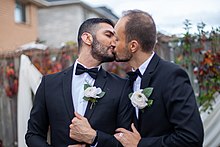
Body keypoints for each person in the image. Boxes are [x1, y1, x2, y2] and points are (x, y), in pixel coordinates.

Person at [25, 18, 133, 147]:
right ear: (87, 38)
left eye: (115, 38)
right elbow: (33, 135)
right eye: (108, 35)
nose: (114, 42)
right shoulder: (49, 84)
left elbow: (126, 142)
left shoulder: (121, 86)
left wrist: (95, 138)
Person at [113, 9, 204, 147]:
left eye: (117, 39)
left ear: (133, 46)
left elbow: (191, 138)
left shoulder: (172, 76)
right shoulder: (128, 81)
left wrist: (141, 144)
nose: (113, 43)